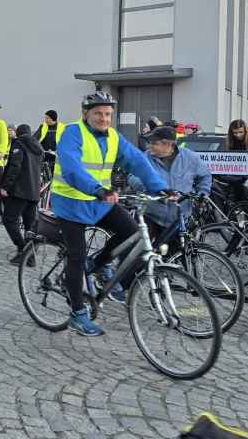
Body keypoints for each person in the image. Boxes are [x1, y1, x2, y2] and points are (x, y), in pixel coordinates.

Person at [50, 91, 167, 336]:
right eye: (98, 114)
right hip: (71, 202)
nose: (104, 119)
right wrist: (97, 189)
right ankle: (77, 314)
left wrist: (159, 187)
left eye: (107, 114)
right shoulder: (72, 133)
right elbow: (71, 168)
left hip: (99, 202)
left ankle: (97, 264)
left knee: (131, 232)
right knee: (76, 256)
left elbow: (137, 161)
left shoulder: (114, 137)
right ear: (86, 114)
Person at [127, 126, 212, 251]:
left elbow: (205, 176)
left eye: (154, 143)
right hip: (150, 215)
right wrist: (152, 187)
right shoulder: (145, 158)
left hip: (178, 218)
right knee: (139, 252)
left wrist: (203, 193)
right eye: (150, 143)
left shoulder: (190, 158)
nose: (149, 146)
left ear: (168, 144)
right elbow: (132, 177)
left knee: (174, 255)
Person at [1, 124, 43, 264]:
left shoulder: (19, 143)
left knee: (9, 219)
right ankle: (30, 258)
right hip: (34, 191)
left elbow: (15, 166)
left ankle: (23, 249)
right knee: (29, 225)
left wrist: (5, 186)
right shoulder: (38, 146)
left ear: (18, 133)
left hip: (20, 191)